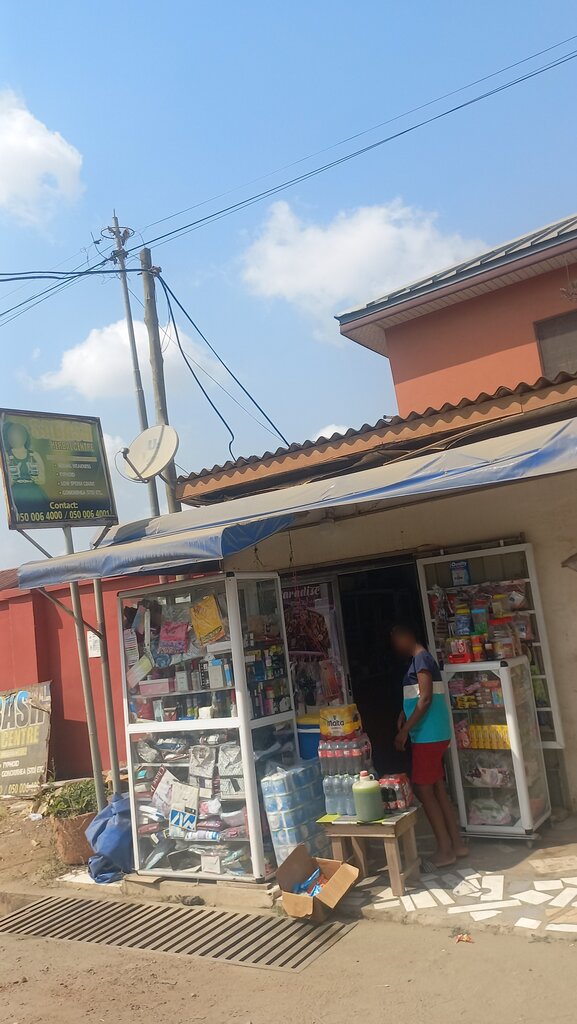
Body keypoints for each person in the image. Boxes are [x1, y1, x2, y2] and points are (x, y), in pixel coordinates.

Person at [391, 623, 467, 867]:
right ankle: (456, 844)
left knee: (423, 789)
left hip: (428, 735)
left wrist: (404, 731)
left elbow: (424, 699)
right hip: (433, 733)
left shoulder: (422, 660)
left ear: (406, 637)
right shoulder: (419, 661)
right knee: (437, 788)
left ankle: (445, 850)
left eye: (396, 641)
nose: (395, 647)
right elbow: (418, 698)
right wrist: (405, 713)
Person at [2, 421, 47, 512]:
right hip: (16, 497)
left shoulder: (34, 455)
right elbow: (6, 483)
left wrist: (36, 477)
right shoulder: (6, 456)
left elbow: (42, 480)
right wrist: (13, 476)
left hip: (35, 495)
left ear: (25, 436)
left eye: (18, 435)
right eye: (13, 436)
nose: (16, 438)